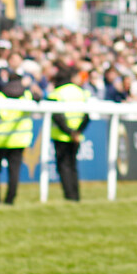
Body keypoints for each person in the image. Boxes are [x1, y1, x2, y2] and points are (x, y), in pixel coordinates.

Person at [0, 79, 34, 204]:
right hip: (19, 140)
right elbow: (39, 97)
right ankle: (10, 199)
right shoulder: (27, 95)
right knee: (14, 171)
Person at [47, 65, 90, 201]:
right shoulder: (81, 92)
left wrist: (69, 132)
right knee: (72, 166)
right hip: (77, 135)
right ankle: (75, 196)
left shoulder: (57, 92)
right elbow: (87, 116)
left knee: (63, 167)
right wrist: (77, 132)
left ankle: (69, 196)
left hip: (61, 135)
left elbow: (57, 117)